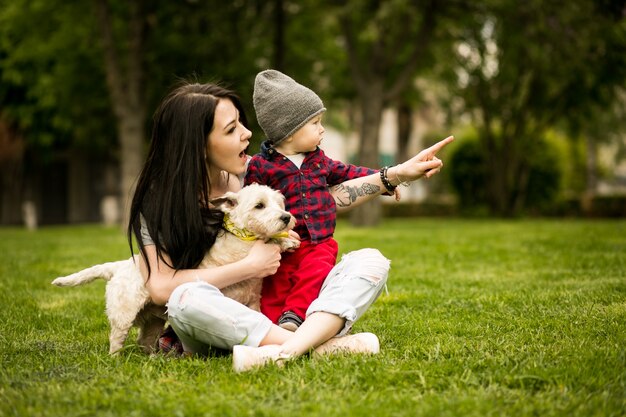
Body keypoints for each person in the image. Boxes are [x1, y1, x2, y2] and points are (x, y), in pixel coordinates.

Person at [127, 80, 452, 372]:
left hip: (268, 306)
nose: (248, 133)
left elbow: (319, 201)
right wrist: (250, 265)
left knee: (370, 261)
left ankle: (279, 348)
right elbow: (160, 287)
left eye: (241, 122)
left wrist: (394, 176)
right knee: (186, 298)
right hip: (215, 319)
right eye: (231, 130)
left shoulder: (253, 173)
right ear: (197, 144)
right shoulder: (159, 202)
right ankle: (319, 345)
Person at [245, 69, 394, 331]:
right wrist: (275, 239)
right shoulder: (261, 166)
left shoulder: (319, 160)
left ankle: (294, 317)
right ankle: (269, 327)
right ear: (289, 131)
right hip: (282, 241)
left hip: (318, 242)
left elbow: (348, 173)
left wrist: (383, 180)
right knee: (274, 283)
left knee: (313, 274)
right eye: (315, 123)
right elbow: (252, 207)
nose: (322, 129)